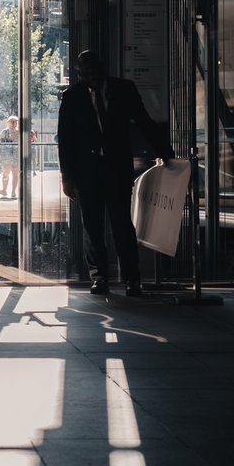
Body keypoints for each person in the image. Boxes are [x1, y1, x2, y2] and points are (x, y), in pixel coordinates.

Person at [57, 49, 175, 297]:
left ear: (102, 68)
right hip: (87, 172)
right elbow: (65, 140)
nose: (92, 76)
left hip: (116, 169)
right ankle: (100, 277)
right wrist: (66, 177)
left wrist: (165, 150)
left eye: (94, 71)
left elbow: (144, 121)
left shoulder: (124, 89)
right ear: (80, 73)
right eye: (86, 73)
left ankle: (132, 279)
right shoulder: (72, 97)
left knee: (122, 224)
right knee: (93, 226)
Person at [0, 115, 20, 198]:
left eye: (14, 122)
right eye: (12, 122)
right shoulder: (19, 132)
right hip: (16, 155)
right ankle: (13, 192)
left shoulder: (4, 131)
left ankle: (4, 190)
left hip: (6, 155)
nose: (13, 124)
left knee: (5, 174)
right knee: (15, 174)